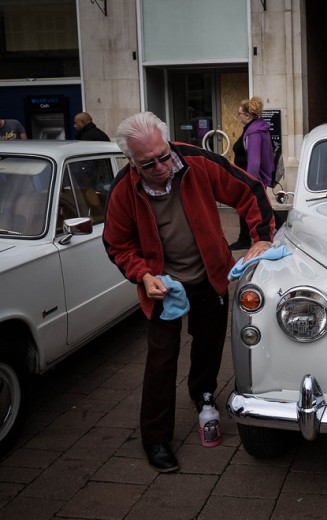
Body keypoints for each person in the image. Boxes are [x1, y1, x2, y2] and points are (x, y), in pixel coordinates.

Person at [103, 112, 275, 473]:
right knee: (161, 360)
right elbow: (117, 245)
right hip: (163, 287)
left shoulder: (197, 161)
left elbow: (249, 190)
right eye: (148, 164)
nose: (161, 167)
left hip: (209, 276)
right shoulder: (124, 190)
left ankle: (204, 395)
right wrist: (142, 274)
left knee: (208, 344)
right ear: (132, 161)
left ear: (167, 144)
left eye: (163, 156)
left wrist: (260, 237)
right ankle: (155, 438)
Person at [229, 96, 275, 250]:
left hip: (251, 178)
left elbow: (254, 161)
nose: (238, 116)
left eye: (239, 113)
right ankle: (244, 238)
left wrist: (250, 183)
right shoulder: (257, 128)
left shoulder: (254, 132)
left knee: (257, 208)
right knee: (252, 207)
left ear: (247, 116)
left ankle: (246, 239)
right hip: (250, 177)